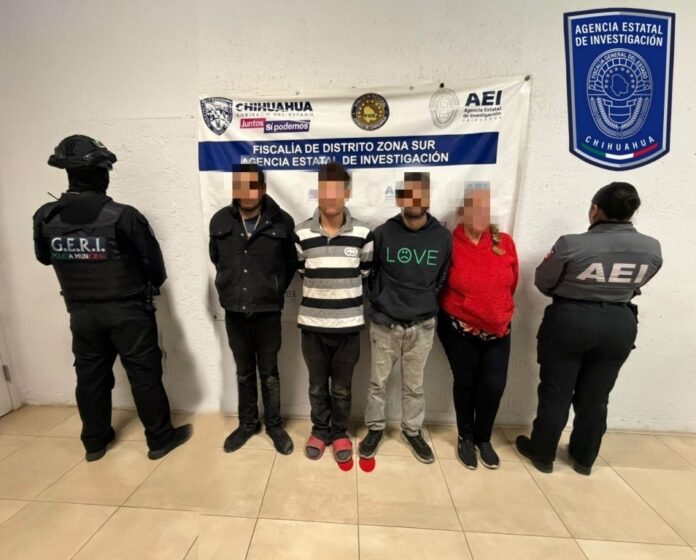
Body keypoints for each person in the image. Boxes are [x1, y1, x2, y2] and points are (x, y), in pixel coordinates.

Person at [33, 135, 192, 461]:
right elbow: (155, 269)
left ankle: (94, 442)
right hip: (127, 310)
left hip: (81, 313)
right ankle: (160, 439)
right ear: (101, 172)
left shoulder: (46, 217)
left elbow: (44, 258)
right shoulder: (122, 216)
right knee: (143, 375)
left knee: (90, 376)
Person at [516, 182, 662, 475]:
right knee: (597, 395)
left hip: (570, 320)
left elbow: (544, 282)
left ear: (595, 209)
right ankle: (584, 458)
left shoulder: (572, 244)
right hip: (619, 323)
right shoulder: (651, 247)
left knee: (556, 391)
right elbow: (640, 282)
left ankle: (543, 454)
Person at [359, 172, 451, 464]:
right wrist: (382, 302)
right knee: (377, 383)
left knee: (415, 386)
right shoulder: (383, 233)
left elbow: (442, 278)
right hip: (385, 323)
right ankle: (375, 429)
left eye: (420, 193)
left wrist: (423, 303)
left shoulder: (442, 237)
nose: (414, 199)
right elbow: (370, 274)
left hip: (421, 326)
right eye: (408, 193)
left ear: (428, 198)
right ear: (400, 199)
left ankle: (412, 430)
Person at [209, 163, 296, 455]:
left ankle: (274, 425)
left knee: (269, 373)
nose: (246, 193)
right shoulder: (220, 220)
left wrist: (271, 290)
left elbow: (289, 264)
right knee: (244, 373)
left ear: (263, 189)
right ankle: (247, 424)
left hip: (268, 312)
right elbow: (217, 259)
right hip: (235, 312)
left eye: (252, 186)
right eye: (240, 186)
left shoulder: (282, 221)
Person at [294, 162, 373, 464]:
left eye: (336, 189)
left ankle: (339, 432)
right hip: (312, 327)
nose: (330, 196)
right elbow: (303, 272)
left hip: (348, 327)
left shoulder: (364, 234)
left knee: (341, 389)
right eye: (324, 189)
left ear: (347, 193)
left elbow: (364, 274)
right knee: (317, 387)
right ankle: (319, 430)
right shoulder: (301, 233)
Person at [437, 184, 518, 470]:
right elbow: (440, 283)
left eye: (486, 208)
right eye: (475, 207)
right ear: (462, 212)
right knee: (466, 382)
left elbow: (513, 283)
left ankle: (484, 439)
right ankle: (466, 437)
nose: (481, 213)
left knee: (493, 385)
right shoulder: (449, 244)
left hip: (498, 329)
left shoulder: (505, 242)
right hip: (459, 328)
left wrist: (498, 312)